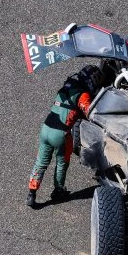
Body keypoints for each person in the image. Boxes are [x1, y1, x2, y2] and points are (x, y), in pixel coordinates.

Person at [26, 64, 104, 207]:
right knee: (62, 162)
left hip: (46, 128)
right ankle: (58, 190)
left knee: (41, 162)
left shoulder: (67, 85)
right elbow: (90, 112)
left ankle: (31, 193)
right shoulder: (83, 94)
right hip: (61, 134)